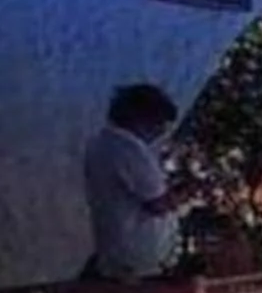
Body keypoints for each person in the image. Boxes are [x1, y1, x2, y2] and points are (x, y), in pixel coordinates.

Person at [82, 82, 192, 281]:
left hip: (116, 251)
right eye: (159, 125)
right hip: (143, 258)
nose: (160, 133)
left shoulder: (99, 143)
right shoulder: (129, 149)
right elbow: (157, 203)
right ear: (143, 119)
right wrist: (186, 192)